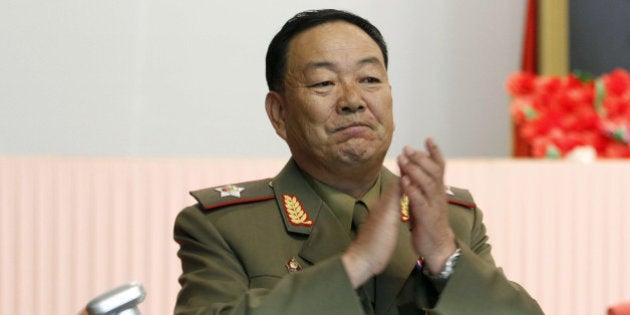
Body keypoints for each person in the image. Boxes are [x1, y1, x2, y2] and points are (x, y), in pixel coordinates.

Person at [173, 9, 544, 315]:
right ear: (279, 113)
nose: (353, 100)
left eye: (369, 79)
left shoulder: (450, 218)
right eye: (323, 83)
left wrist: (444, 256)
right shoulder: (224, 226)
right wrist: (355, 266)